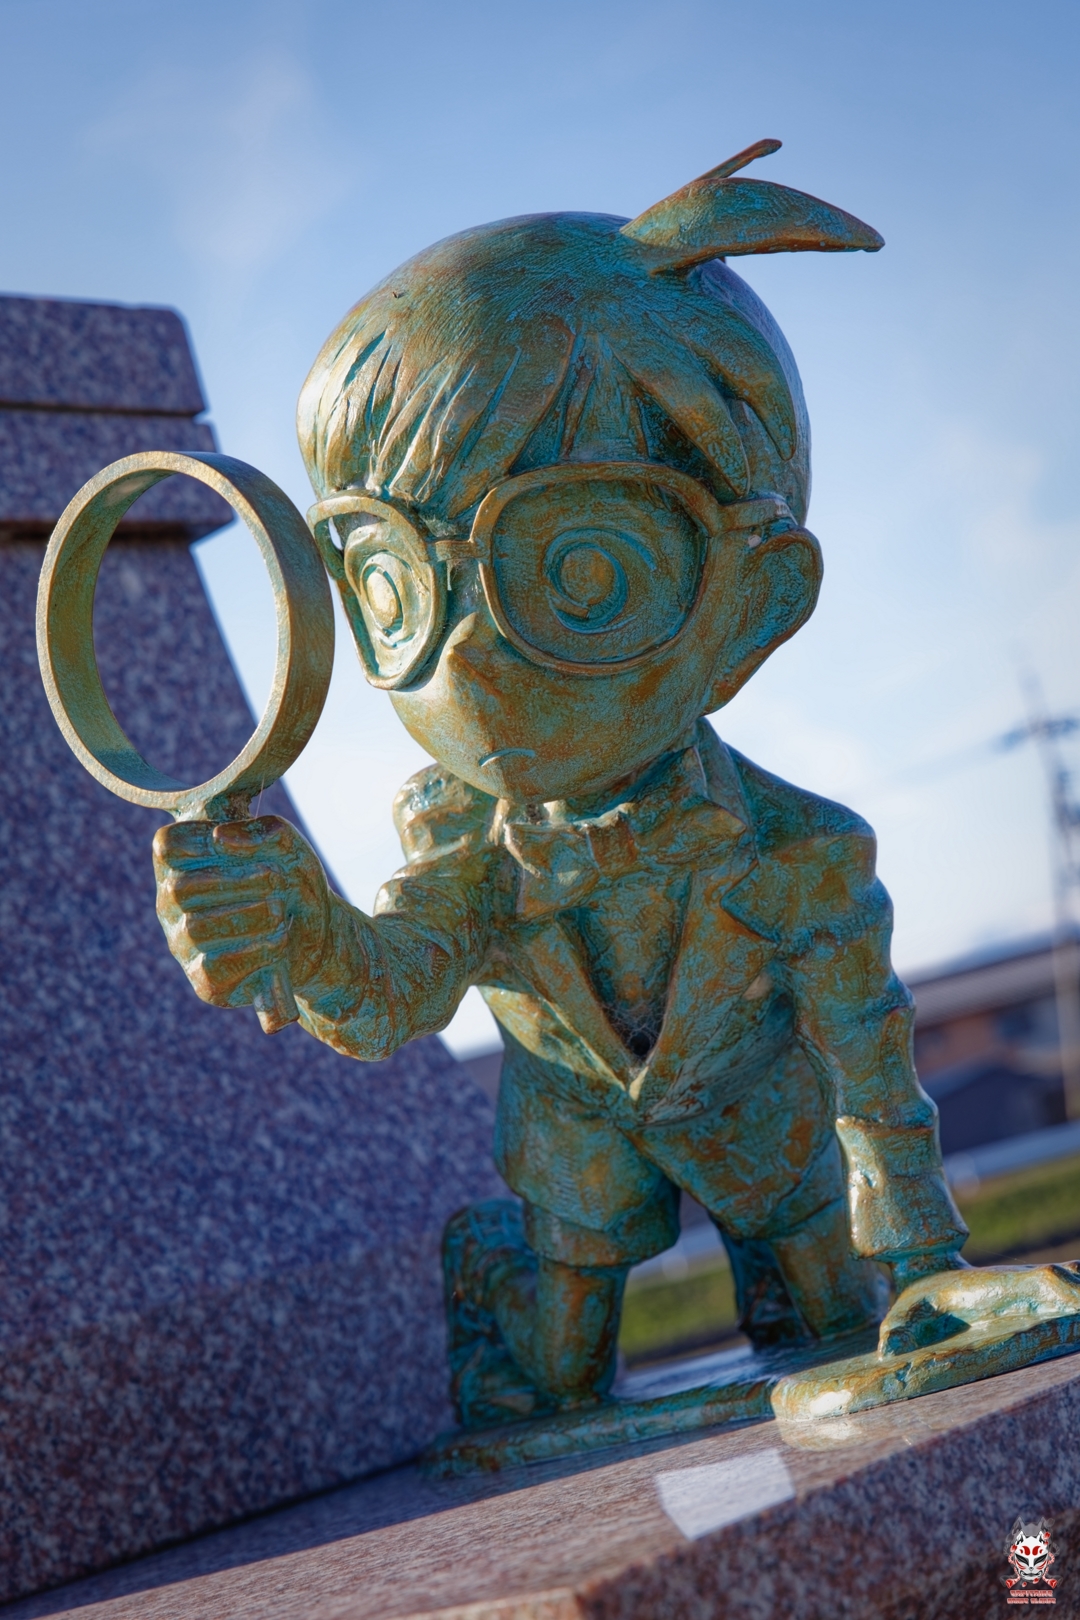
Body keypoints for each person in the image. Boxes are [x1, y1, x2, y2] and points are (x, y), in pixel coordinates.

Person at [153, 142, 972, 1429]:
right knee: (550, 1377)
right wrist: (301, 936)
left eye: (580, 562)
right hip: (572, 1160)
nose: (469, 654)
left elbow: (874, 1082)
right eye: (393, 576)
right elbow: (397, 986)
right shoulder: (459, 837)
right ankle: (508, 1296)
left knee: (845, 1325)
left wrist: (924, 1263)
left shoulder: (805, 853)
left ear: (759, 599)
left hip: (776, 1154)